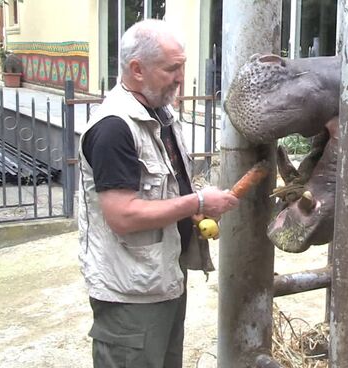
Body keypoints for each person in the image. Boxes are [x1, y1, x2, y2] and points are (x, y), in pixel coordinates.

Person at [77, 19, 238, 368]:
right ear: (137, 69)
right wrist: (196, 202)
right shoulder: (114, 128)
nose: (181, 77)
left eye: (182, 66)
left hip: (163, 277)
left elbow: (167, 188)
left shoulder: (160, 115)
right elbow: (122, 215)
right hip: (131, 295)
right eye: (172, 69)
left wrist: (193, 210)